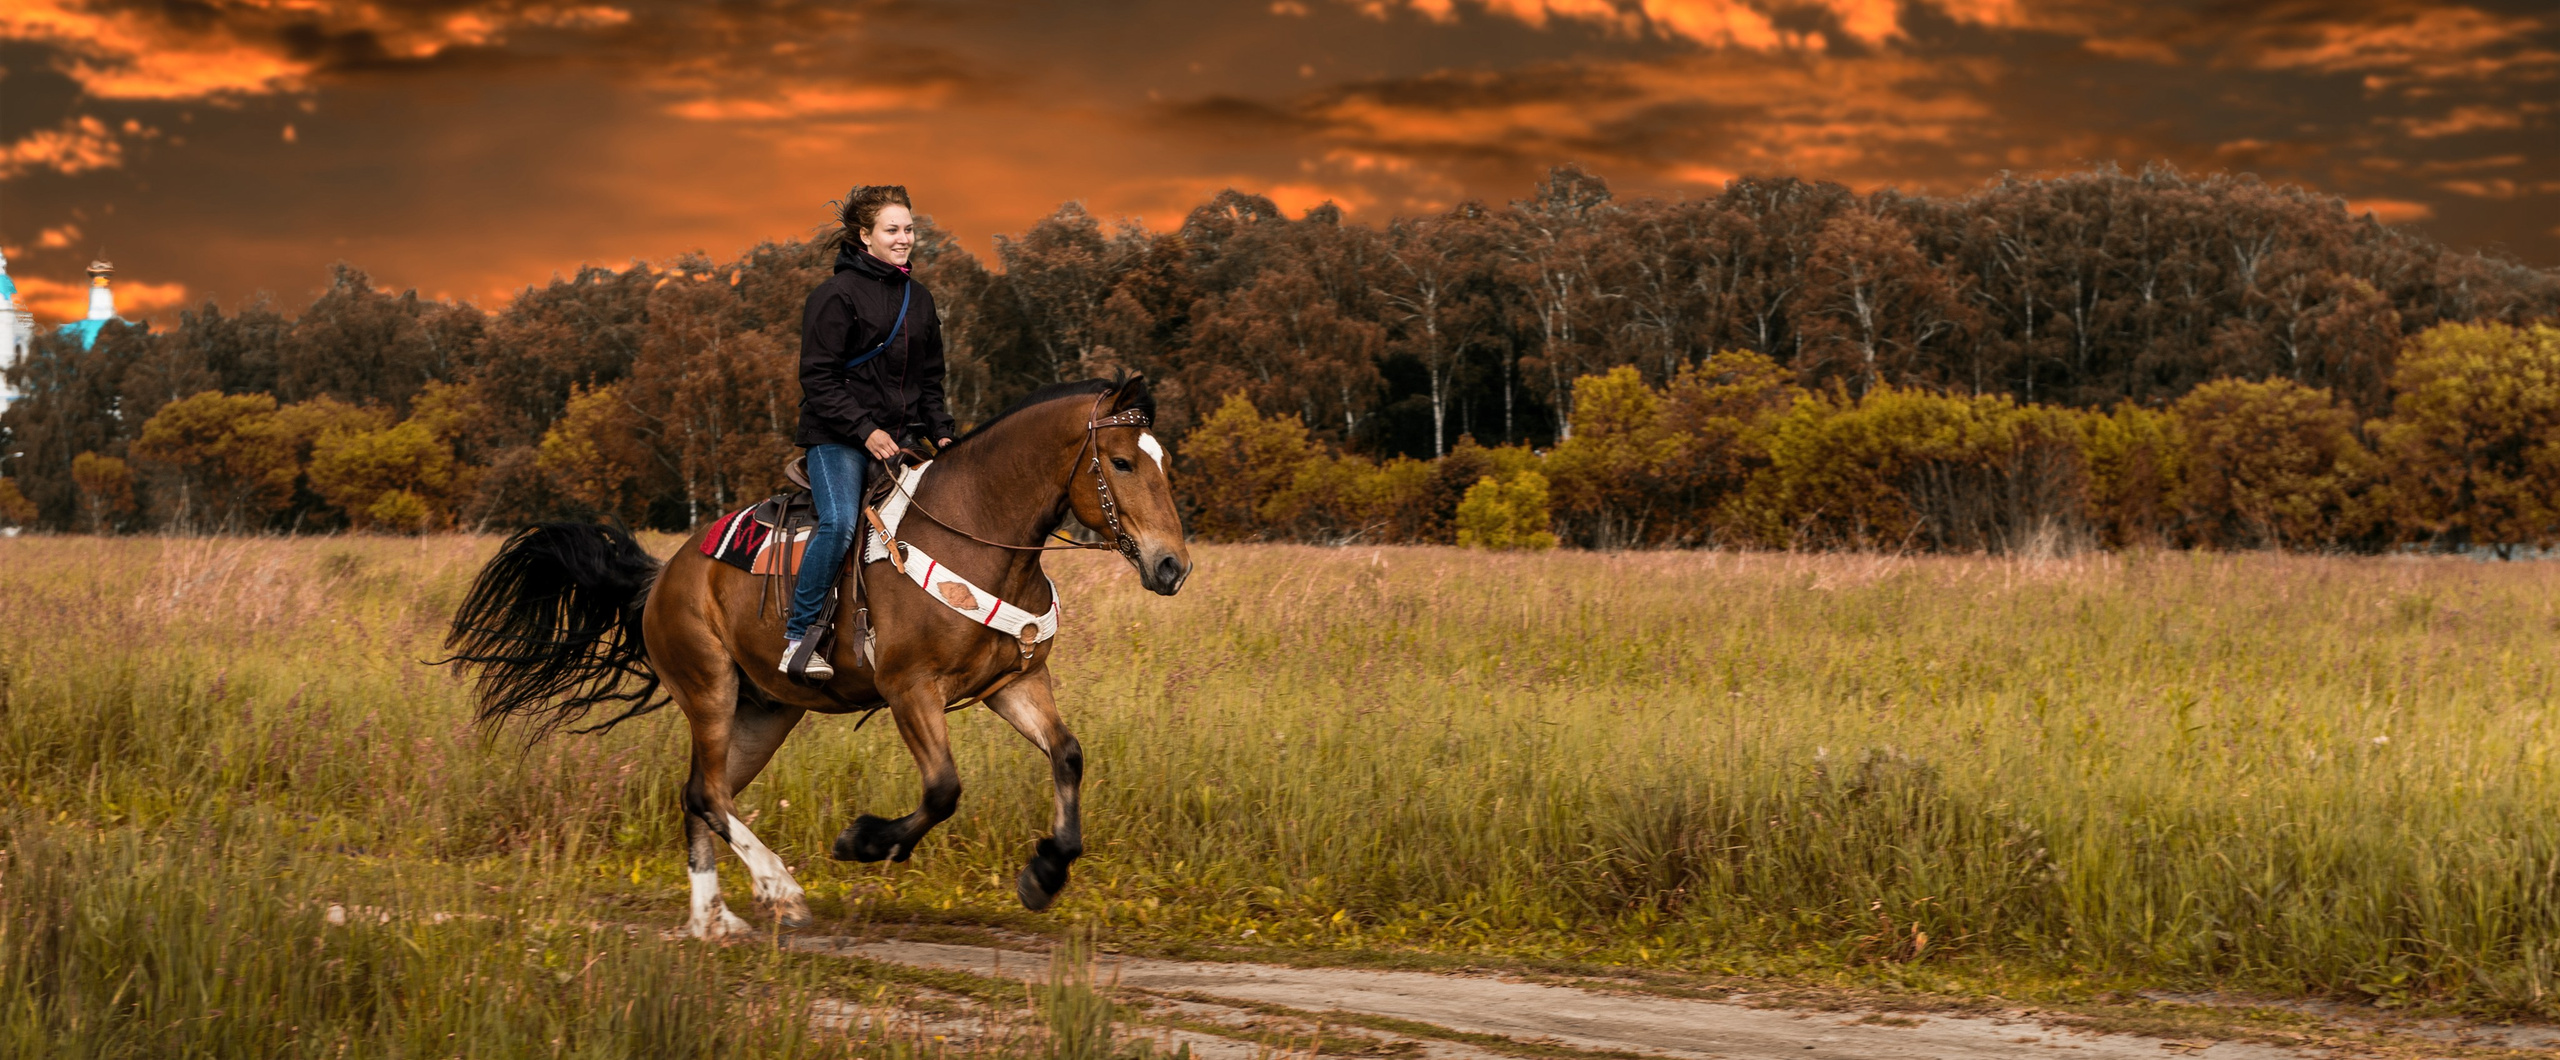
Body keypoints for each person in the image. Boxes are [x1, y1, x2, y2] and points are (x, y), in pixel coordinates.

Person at [785, 185, 956, 678]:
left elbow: (929, 381)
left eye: (909, 229)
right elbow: (817, 378)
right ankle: (800, 636)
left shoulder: (919, 301)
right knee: (840, 523)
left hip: (900, 440)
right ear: (866, 236)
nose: (904, 239)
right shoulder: (833, 296)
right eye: (892, 230)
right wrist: (865, 431)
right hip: (837, 439)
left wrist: (943, 434)